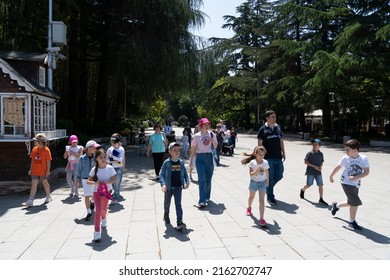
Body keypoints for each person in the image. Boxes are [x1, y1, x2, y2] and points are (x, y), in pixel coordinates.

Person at [329, 139, 370, 230]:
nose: (346, 151)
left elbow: (366, 172)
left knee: (351, 202)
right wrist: (331, 176)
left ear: (355, 150)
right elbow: (338, 166)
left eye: (348, 149)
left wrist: (356, 178)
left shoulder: (363, 158)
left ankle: (336, 205)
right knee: (355, 202)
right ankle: (352, 222)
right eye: (345, 149)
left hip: (356, 183)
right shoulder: (345, 158)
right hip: (346, 182)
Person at [257, 110, 286, 205]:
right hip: (268, 158)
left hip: (278, 156)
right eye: (272, 117)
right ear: (267, 118)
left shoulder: (278, 128)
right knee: (271, 178)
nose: (274, 118)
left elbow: (281, 141)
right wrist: (260, 157)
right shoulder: (262, 129)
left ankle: (267, 186)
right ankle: (270, 196)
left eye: (275, 116)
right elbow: (260, 145)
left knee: (279, 175)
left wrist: (284, 152)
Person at [87, 149, 116, 242]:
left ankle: (104, 218)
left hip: (106, 192)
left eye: (104, 157)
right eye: (101, 157)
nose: (103, 159)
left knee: (104, 209)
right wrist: (96, 182)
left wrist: (106, 182)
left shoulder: (110, 168)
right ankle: (96, 232)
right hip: (96, 192)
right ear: (96, 159)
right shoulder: (94, 169)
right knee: (98, 210)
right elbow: (88, 181)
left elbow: (114, 179)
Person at [159, 142, 190, 230]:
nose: (177, 152)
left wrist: (187, 182)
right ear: (170, 151)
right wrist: (163, 184)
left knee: (178, 204)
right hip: (168, 187)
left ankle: (179, 221)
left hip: (178, 187)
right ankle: (166, 215)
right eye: (174, 150)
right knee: (167, 203)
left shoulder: (181, 162)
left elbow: (185, 173)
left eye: (178, 150)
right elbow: (161, 175)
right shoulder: (166, 163)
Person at [190, 118, 218, 207]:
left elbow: (216, 146)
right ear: (201, 126)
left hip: (209, 157)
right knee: (201, 179)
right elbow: (193, 148)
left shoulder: (212, 134)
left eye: (208, 124)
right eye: (205, 124)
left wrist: (213, 141)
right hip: (200, 158)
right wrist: (191, 160)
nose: (207, 126)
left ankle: (206, 196)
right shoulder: (196, 136)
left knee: (208, 179)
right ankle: (201, 200)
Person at [241, 146, 269, 226]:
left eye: (263, 155)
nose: (261, 156)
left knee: (262, 200)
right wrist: (256, 171)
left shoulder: (265, 162)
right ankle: (249, 207)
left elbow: (267, 172)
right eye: (259, 154)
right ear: (256, 154)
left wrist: (267, 180)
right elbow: (250, 174)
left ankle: (261, 219)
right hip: (253, 182)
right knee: (251, 197)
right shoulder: (252, 162)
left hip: (262, 183)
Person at [23, 134, 53, 207]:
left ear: (40, 141)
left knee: (45, 182)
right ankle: (30, 200)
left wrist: (48, 171)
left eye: (36, 141)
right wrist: (30, 169)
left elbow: (48, 161)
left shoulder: (46, 150)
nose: (35, 142)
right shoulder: (34, 149)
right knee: (34, 183)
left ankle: (48, 196)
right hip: (35, 170)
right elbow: (32, 160)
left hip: (43, 170)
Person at [77, 140, 100, 221]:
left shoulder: (96, 158)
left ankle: (92, 202)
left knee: (93, 194)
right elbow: (79, 169)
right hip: (85, 178)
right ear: (89, 148)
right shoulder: (82, 158)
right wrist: (77, 178)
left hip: (94, 179)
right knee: (87, 195)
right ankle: (89, 212)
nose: (95, 149)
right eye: (94, 147)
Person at [300, 139, 328, 206]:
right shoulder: (309, 153)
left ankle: (321, 199)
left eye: (316, 145)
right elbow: (306, 162)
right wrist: (314, 166)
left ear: (319, 146)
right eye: (313, 144)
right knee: (309, 184)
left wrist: (320, 166)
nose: (314, 146)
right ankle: (302, 189)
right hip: (310, 172)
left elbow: (322, 162)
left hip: (318, 172)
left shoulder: (321, 154)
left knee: (320, 185)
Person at [107, 133, 125, 204]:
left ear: (118, 143)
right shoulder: (110, 149)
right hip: (111, 168)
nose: (113, 145)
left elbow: (120, 159)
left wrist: (113, 158)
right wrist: (112, 159)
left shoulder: (121, 149)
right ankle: (115, 192)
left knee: (117, 182)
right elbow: (107, 159)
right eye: (112, 143)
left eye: (114, 143)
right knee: (112, 183)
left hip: (118, 168)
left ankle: (116, 196)